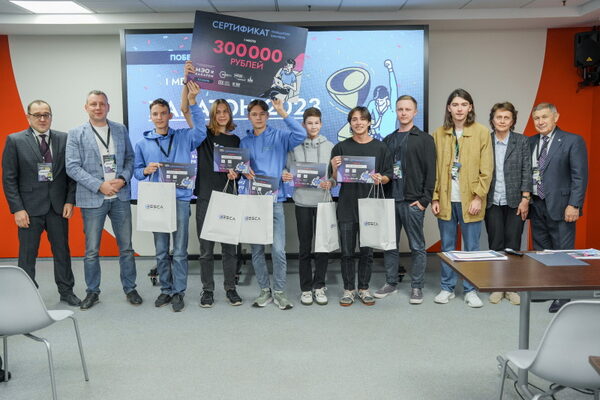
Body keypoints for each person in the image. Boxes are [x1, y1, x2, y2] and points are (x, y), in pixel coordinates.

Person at [133, 67, 205, 312]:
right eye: (155, 114)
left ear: (170, 115)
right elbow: (136, 172)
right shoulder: (142, 144)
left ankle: (179, 292)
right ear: (150, 117)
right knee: (162, 250)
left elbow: (201, 132)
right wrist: (145, 170)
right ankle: (165, 289)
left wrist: (193, 103)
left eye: (163, 113)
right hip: (157, 202)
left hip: (181, 199)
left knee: (180, 251)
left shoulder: (184, 137)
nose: (160, 117)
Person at [66, 90, 142, 310]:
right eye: (93, 104)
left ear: (108, 107)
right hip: (93, 198)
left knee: (126, 247)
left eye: (102, 104)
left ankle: (130, 288)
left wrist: (123, 179)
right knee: (91, 251)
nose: (98, 108)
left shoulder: (120, 129)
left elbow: (130, 158)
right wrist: (99, 185)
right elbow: (72, 166)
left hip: (120, 196)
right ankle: (92, 292)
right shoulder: (76, 133)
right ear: (86, 107)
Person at [2, 100, 80, 306]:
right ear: (28, 117)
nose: (42, 119)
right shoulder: (15, 140)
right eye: (37, 115)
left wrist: (70, 200)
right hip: (29, 209)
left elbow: (71, 174)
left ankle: (66, 291)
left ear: (51, 116)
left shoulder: (64, 139)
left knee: (62, 252)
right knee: (27, 255)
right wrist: (17, 209)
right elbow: (9, 178)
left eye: (46, 114)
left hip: (57, 207)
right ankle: (26, 295)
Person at [238, 98, 305, 310]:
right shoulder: (244, 142)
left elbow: (301, 134)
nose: (258, 118)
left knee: (278, 250)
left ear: (267, 116)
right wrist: (242, 170)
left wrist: (282, 111)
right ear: (249, 117)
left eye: (262, 114)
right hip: (253, 201)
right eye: (254, 114)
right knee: (257, 251)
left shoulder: (280, 136)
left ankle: (279, 291)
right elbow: (241, 167)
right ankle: (264, 290)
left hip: (274, 201)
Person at [431, 88, 493, 308]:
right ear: (449, 108)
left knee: (471, 248)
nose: (459, 109)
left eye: (464, 104)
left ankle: (470, 290)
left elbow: (487, 169)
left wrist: (478, 197)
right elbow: (434, 169)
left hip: (471, 201)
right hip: (446, 200)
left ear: (470, 107)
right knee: (447, 246)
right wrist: (435, 197)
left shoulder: (482, 132)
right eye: (455, 104)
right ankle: (447, 288)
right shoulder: (439, 134)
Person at [329, 106, 393, 307]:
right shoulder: (340, 148)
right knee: (347, 252)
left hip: (370, 207)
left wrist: (381, 178)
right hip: (347, 206)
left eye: (362, 119)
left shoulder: (380, 147)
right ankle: (348, 289)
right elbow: (334, 180)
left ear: (369, 122)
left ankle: (364, 288)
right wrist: (334, 168)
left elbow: (388, 175)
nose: (358, 123)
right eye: (354, 119)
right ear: (350, 123)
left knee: (367, 252)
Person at [375, 95, 436, 305]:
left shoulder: (425, 139)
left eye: (408, 109)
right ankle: (391, 282)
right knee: (390, 245)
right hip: (390, 200)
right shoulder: (388, 140)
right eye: (400, 109)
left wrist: (425, 200)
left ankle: (417, 286)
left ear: (415, 112)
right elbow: (384, 170)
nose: (403, 113)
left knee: (417, 246)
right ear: (396, 111)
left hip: (412, 201)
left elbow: (431, 171)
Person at [528, 102, 588, 313]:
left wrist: (574, 204)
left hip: (563, 207)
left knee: (563, 252)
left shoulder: (572, 141)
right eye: (537, 118)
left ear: (556, 117)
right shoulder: (531, 142)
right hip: (537, 204)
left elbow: (579, 176)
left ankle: (563, 295)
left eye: (544, 117)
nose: (540, 122)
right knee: (542, 251)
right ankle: (546, 289)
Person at [189, 95, 243, 308]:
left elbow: (239, 169)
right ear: (212, 115)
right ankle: (207, 290)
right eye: (218, 112)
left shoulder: (235, 140)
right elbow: (187, 112)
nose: (222, 115)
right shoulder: (204, 136)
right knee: (206, 250)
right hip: (206, 197)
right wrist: (191, 97)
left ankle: (230, 288)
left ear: (230, 114)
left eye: (225, 111)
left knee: (230, 249)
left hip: (228, 197)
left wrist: (236, 174)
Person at [281, 107, 335, 306]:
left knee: (322, 247)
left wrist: (331, 182)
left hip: (323, 203)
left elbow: (335, 176)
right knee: (304, 247)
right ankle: (305, 288)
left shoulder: (330, 146)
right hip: (302, 201)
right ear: (303, 125)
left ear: (321, 124)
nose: (313, 126)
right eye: (309, 123)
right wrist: (284, 174)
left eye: (316, 123)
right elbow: (285, 168)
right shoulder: (294, 145)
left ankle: (319, 285)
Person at [484, 102, 532, 306]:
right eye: (498, 117)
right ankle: (498, 286)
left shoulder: (522, 141)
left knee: (513, 244)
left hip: (515, 201)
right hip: (492, 201)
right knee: (495, 244)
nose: (502, 121)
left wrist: (525, 198)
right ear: (492, 120)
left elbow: (527, 170)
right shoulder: (485, 140)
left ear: (512, 121)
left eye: (506, 118)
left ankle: (511, 287)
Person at [366, 59, 398, 140]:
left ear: (386, 98)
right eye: (377, 100)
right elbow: (364, 117)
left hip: (390, 140)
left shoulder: (392, 106)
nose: (378, 102)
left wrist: (390, 70)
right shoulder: (373, 104)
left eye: (380, 100)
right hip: (376, 139)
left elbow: (393, 88)